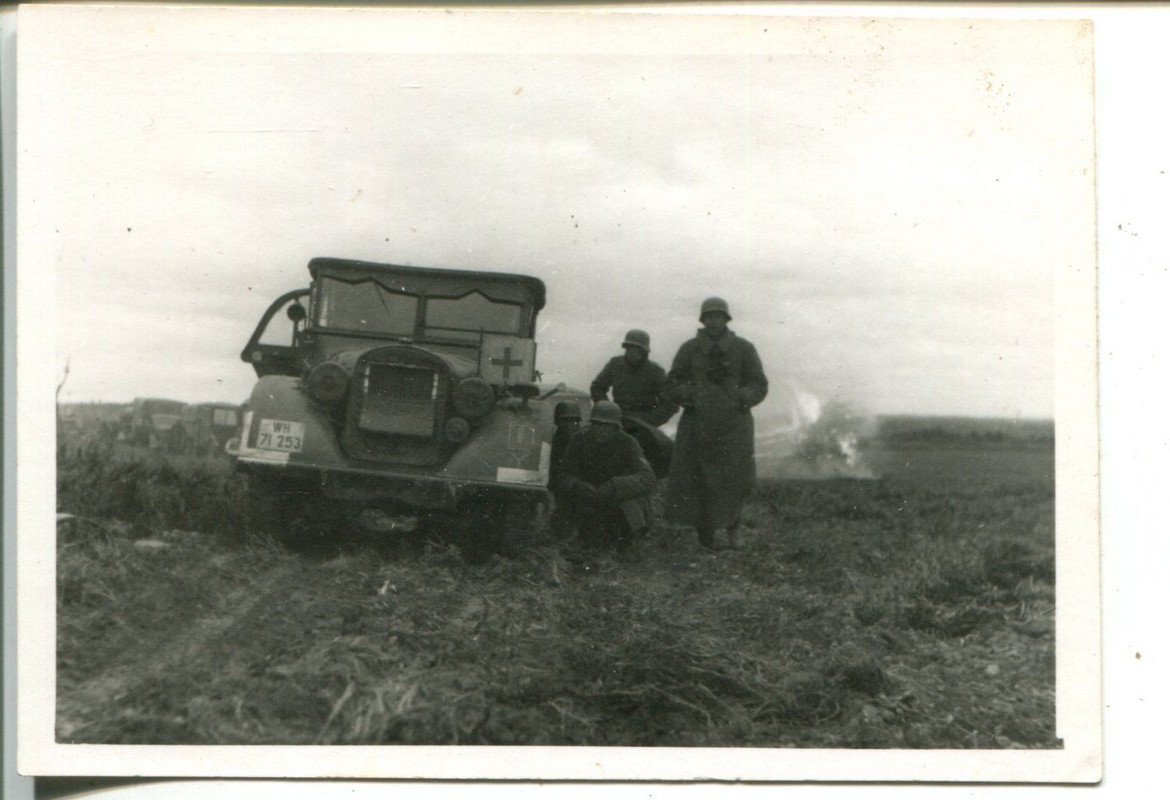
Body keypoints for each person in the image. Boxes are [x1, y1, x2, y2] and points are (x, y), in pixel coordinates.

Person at [664, 297, 768, 551]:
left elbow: (759, 383)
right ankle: (706, 534)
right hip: (697, 423)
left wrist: (741, 398)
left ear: (726, 319)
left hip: (735, 424)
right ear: (702, 320)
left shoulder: (744, 349)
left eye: (718, 316)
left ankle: (734, 530)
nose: (713, 321)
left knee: (734, 479)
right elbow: (673, 381)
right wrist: (692, 396)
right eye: (709, 316)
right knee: (698, 479)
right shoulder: (689, 349)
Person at [554, 400, 658, 551]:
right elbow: (563, 475)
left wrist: (615, 486)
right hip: (588, 499)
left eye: (607, 426)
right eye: (597, 424)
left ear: (616, 427)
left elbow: (649, 479)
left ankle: (628, 542)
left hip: (616, 499)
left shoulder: (628, 443)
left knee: (632, 511)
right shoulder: (579, 439)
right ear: (591, 424)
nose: (601, 430)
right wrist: (577, 485)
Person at [589, 329, 679, 476]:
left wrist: (649, 420)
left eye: (637, 350)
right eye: (629, 349)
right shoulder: (615, 364)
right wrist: (608, 411)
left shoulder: (656, 372)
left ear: (645, 352)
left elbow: (671, 404)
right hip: (618, 419)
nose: (632, 353)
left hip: (644, 425)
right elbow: (597, 387)